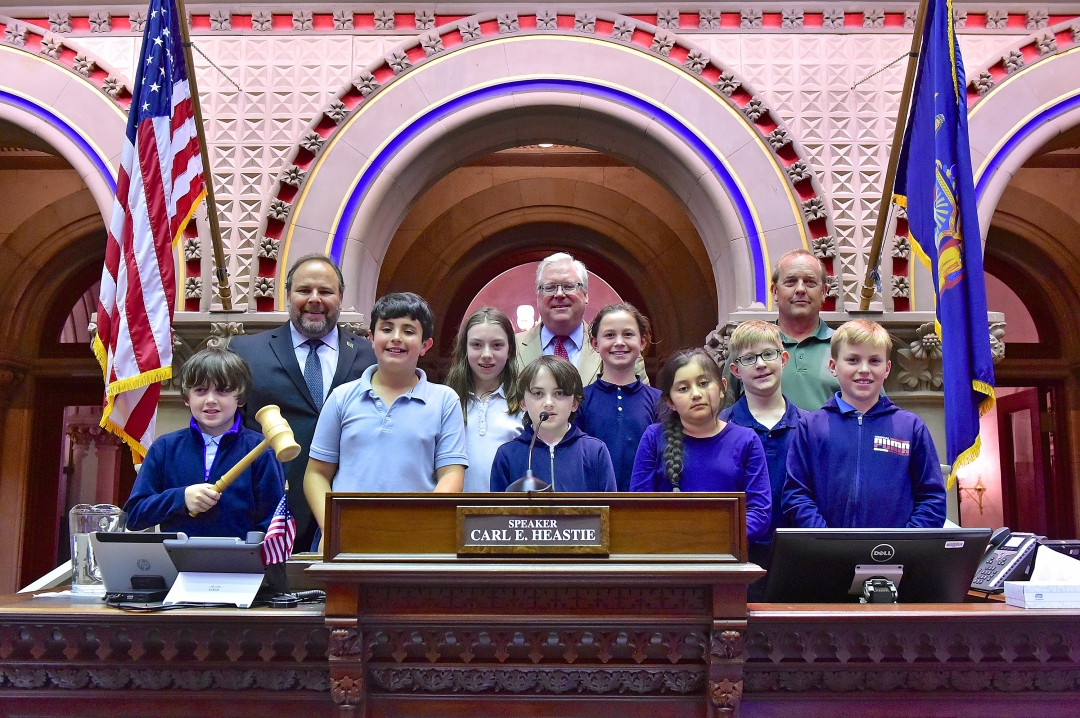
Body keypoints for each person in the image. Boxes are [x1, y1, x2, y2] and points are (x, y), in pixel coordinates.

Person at [229, 254, 376, 552]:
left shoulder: (369, 356)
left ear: (341, 298)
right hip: (270, 507)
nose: (314, 299)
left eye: (325, 291)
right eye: (304, 290)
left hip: (348, 503)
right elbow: (228, 431)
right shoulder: (247, 351)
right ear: (287, 295)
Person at [305, 292, 467, 546]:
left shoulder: (445, 401)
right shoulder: (341, 397)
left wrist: (416, 528)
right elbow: (316, 474)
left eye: (409, 331)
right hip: (346, 539)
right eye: (387, 328)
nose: (396, 338)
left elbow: (451, 474)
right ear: (371, 338)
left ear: (425, 344)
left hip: (417, 541)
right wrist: (333, 526)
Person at [782, 319, 947, 528]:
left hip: (895, 555)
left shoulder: (910, 428)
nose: (864, 369)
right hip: (827, 555)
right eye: (852, 360)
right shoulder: (811, 427)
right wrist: (825, 540)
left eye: (874, 361)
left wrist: (905, 543)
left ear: (887, 369)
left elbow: (932, 498)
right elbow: (796, 494)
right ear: (833, 366)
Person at [125, 348, 285, 537]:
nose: (210, 400)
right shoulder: (165, 448)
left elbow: (274, 524)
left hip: (241, 563)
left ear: (240, 398)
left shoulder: (260, 450)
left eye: (222, 391)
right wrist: (180, 498)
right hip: (178, 563)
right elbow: (134, 516)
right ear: (187, 397)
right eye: (200, 390)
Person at [630, 348, 771, 544]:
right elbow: (639, 506)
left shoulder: (746, 440)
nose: (696, 394)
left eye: (703, 383)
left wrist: (714, 539)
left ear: (722, 388)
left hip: (730, 558)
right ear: (669, 401)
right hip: (669, 556)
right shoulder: (654, 437)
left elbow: (759, 512)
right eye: (683, 389)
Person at [719, 321, 807, 595]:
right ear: (735, 370)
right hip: (736, 556)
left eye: (768, 354)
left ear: (783, 359)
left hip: (796, 556)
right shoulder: (721, 425)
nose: (760, 364)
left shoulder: (809, 427)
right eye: (748, 358)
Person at [725, 248, 840, 411]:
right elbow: (722, 420)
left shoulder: (845, 347)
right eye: (791, 282)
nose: (800, 289)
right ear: (774, 291)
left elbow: (875, 414)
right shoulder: (747, 349)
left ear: (824, 292)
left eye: (810, 282)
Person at [515, 252, 646, 386]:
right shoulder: (511, 348)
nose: (559, 294)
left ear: (585, 295)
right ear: (538, 298)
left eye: (569, 286)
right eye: (549, 287)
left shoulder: (617, 348)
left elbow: (640, 402)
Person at [490, 356, 617, 493]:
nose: (549, 403)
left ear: (575, 403)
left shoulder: (595, 451)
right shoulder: (507, 455)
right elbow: (499, 512)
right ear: (523, 403)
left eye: (559, 393)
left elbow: (609, 509)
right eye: (538, 393)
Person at [575, 304, 661, 491]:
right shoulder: (578, 401)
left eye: (628, 334)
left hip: (645, 507)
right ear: (595, 344)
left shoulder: (660, 402)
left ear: (643, 342)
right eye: (609, 335)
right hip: (593, 507)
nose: (619, 342)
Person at [446, 307, 524, 492]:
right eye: (477, 345)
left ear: (509, 349)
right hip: (455, 510)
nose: (487, 354)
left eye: (497, 345)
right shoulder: (447, 400)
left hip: (509, 511)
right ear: (464, 348)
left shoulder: (524, 402)